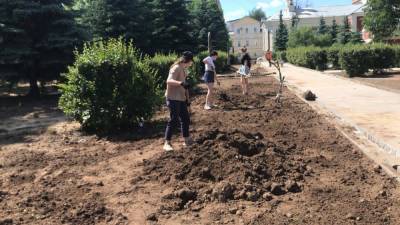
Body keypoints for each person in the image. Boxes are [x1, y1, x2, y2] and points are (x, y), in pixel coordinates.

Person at [163, 51, 194, 152]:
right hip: (172, 98)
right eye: (191, 62)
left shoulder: (183, 69)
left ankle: (186, 139)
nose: (191, 64)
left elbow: (185, 87)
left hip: (180, 98)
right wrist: (181, 83)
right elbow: (168, 81)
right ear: (188, 61)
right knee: (174, 119)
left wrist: (188, 102)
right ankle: (167, 143)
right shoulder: (176, 68)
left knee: (185, 119)